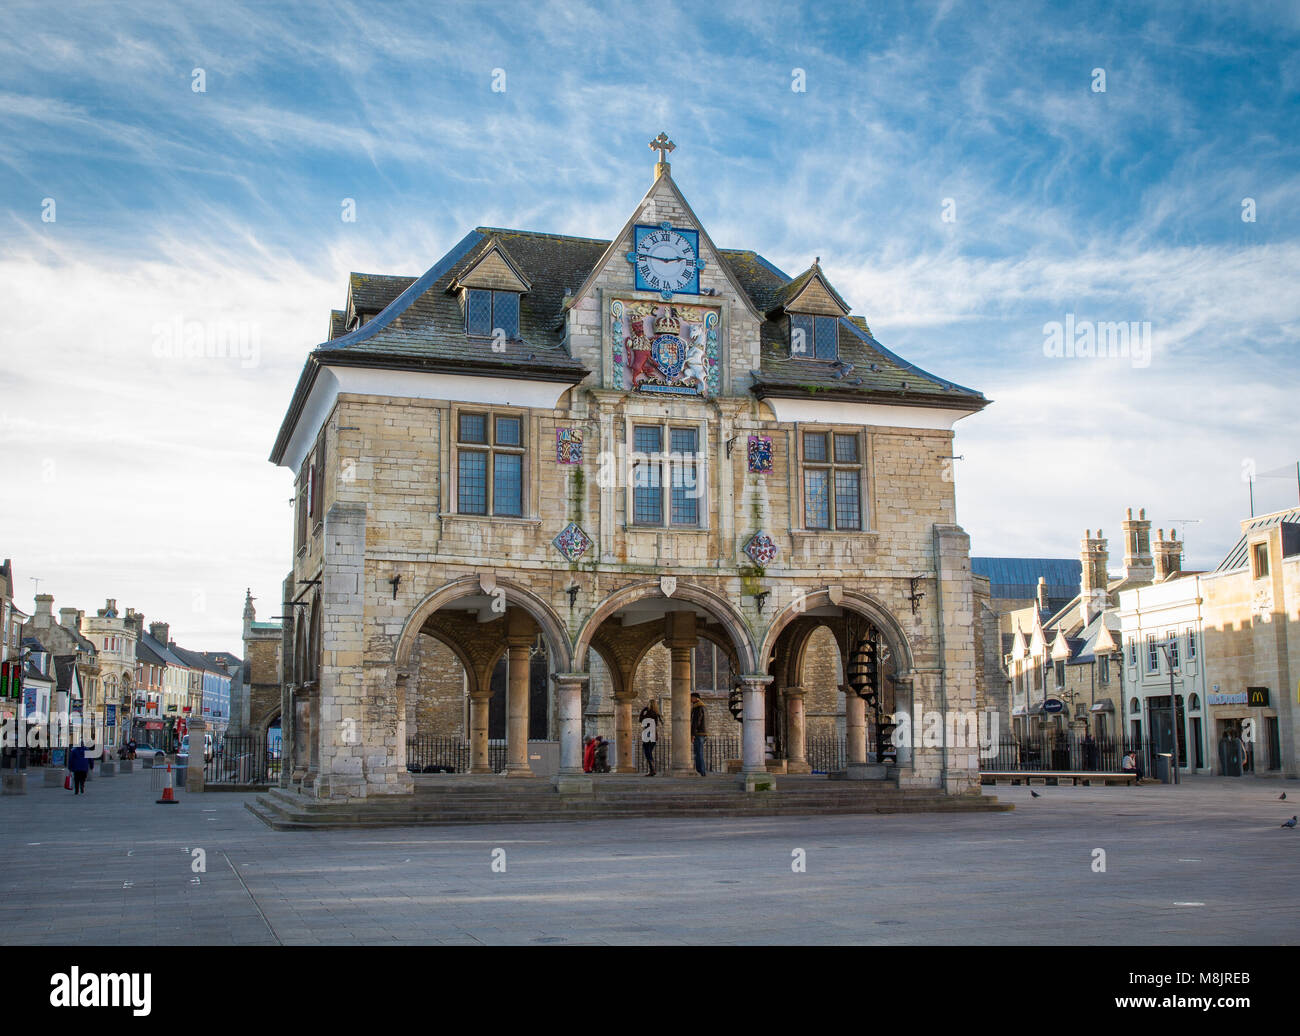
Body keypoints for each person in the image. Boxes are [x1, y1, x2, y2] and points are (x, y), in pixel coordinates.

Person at [639, 699, 662, 776]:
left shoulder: (649, 713)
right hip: (654, 734)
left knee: (647, 752)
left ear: (650, 705)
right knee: (649, 752)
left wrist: (643, 710)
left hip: (648, 733)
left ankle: (652, 770)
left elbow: (641, 720)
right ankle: (652, 770)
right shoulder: (656, 714)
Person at [690, 692, 708, 777]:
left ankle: (701, 771)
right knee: (698, 752)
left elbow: (696, 721)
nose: (690, 699)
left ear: (695, 698)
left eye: (691, 698)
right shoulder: (702, 707)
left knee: (699, 753)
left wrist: (693, 734)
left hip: (698, 733)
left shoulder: (698, 707)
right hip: (701, 733)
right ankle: (700, 770)